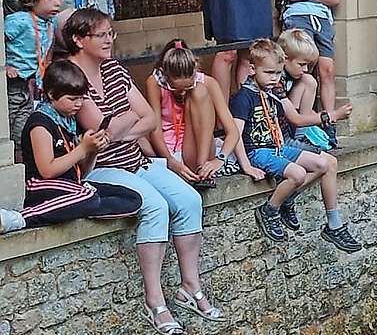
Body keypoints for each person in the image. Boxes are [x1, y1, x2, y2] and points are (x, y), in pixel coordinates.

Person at [65, 8, 226, 335]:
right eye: (102, 35)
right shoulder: (69, 75)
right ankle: (155, 301)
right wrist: (124, 123)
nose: (110, 39)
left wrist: (120, 126)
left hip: (134, 160)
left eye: (112, 33)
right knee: (155, 205)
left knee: (189, 199)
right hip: (101, 168)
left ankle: (189, 286)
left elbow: (149, 120)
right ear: (79, 39)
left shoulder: (114, 70)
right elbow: (97, 128)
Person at [229, 38, 361, 252]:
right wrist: (246, 165)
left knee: (323, 164)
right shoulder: (244, 97)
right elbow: (235, 133)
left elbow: (293, 117)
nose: (274, 79)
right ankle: (270, 209)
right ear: (252, 69)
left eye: (278, 73)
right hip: (258, 151)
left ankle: (288, 198)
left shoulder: (271, 92)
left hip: (278, 146)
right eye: (269, 73)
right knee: (298, 174)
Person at [20, 58, 141, 227]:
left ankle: (76, 207)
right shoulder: (40, 122)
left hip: (72, 185)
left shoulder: (69, 122)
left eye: (81, 99)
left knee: (132, 198)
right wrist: (82, 149)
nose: (78, 104)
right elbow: (47, 171)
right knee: (89, 197)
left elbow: (82, 173)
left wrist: (93, 151)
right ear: (51, 94)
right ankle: (22, 219)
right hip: (41, 187)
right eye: (72, 99)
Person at [144, 39, 244, 187]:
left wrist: (220, 159)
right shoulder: (155, 82)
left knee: (200, 91)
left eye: (187, 87)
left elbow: (232, 131)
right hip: (168, 151)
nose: (183, 93)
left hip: (196, 149)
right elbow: (155, 130)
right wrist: (171, 161)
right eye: (176, 88)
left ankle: (201, 168)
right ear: (166, 77)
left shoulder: (207, 82)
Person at [4, 0, 65, 160]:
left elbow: (47, 52)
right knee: (12, 127)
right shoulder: (19, 21)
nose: (58, 3)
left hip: (33, 85)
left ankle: (28, 167)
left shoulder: (51, 23)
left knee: (27, 128)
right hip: (14, 83)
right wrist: (4, 66)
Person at [274, 27, 351, 151]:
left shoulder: (292, 76)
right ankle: (294, 139)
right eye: (301, 64)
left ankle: (299, 135)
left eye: (307, 65)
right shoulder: (275, 81)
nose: (305, 69)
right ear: (285, 58)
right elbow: (296, 119)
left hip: (289, 119)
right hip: (275, 131)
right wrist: (332, 115)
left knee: (308, 80)